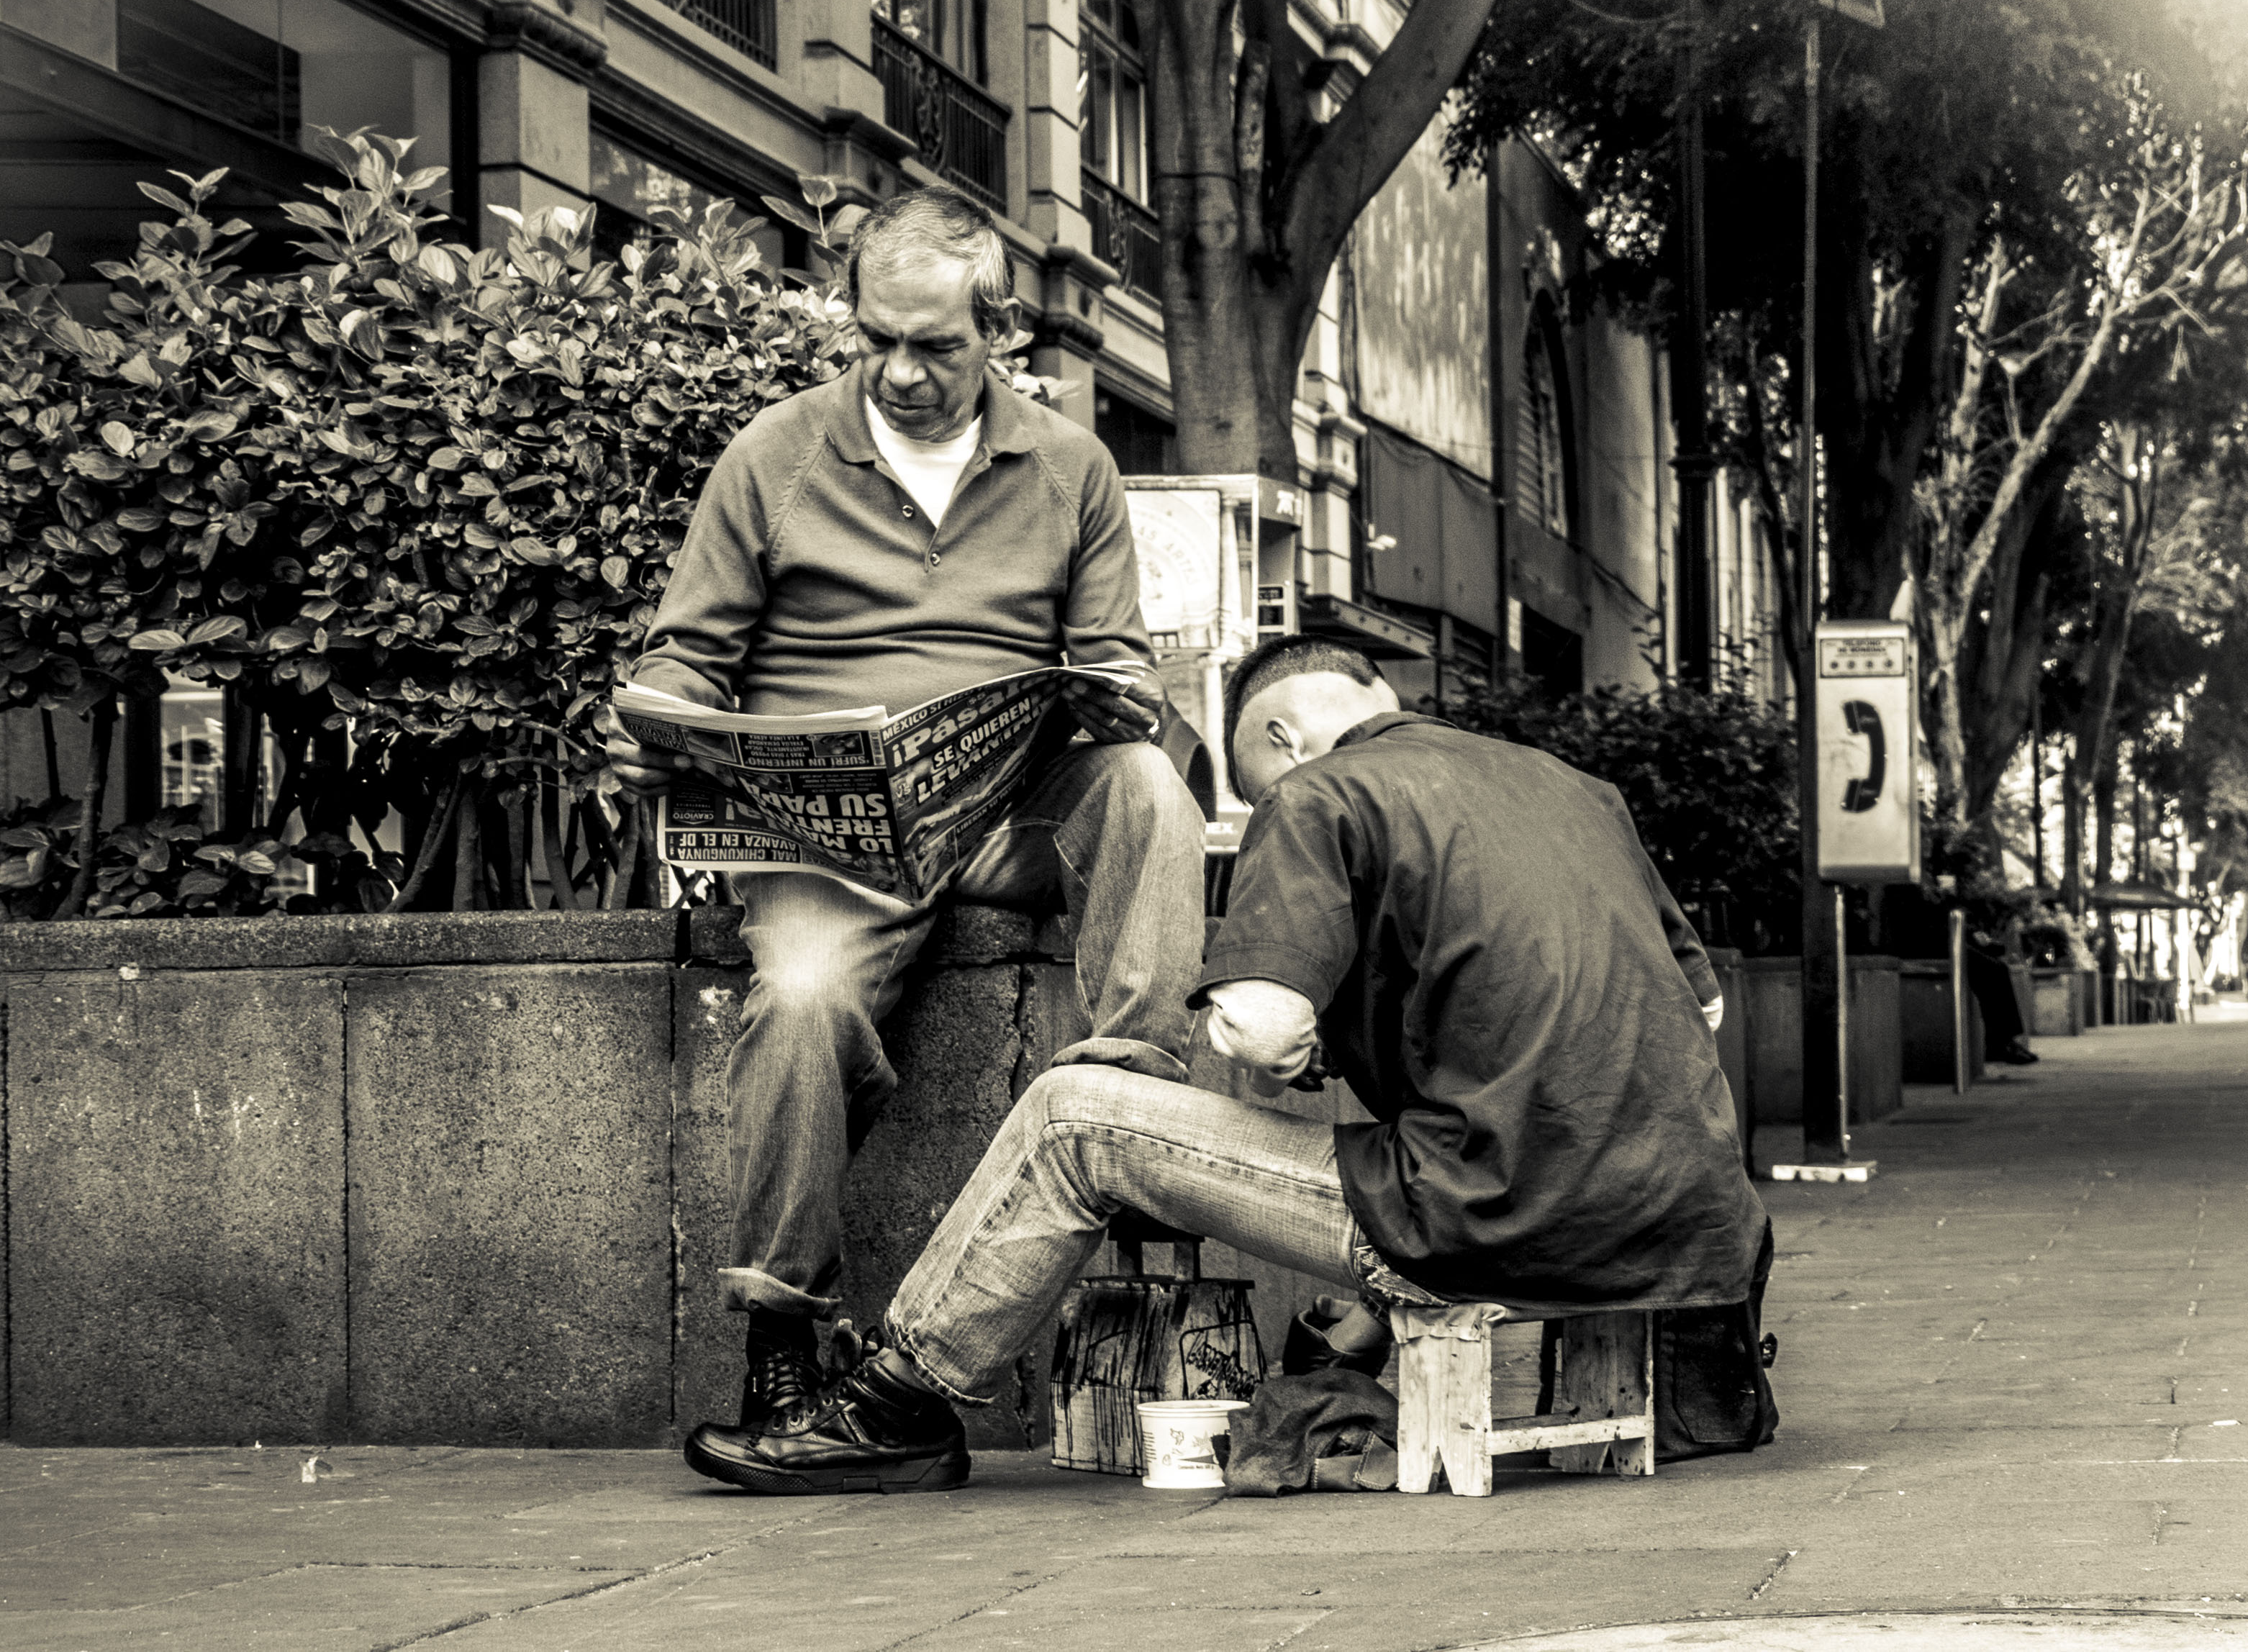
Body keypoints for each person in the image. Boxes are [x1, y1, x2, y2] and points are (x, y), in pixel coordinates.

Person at [681, 635, 1769, 1495]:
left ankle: (895, 1405)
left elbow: (1256, 1026)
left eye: (1249, 786)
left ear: (1287, 738)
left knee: (1074, 1117)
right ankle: (1356, 1320)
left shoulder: (1322, 792)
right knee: (1411, 1138)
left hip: (1491, 1215)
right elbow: (1699, 1006)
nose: (1259, 807)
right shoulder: (1575, 789)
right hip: (1695, 1228)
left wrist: (1292, 1036)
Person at [608, 185, 1206, 1433]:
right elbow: (684, 658)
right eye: (875, 338)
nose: (900, 370)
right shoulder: (774, 452)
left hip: (998, 814)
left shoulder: (1071, 466)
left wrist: (1114, 701)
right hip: (828, 839)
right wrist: (653, 719)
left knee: (1147, 785)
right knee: (804, 1001)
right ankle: (783, 1329)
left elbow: (1113, 660)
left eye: (934, 345)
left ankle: (1139, 1098)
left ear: (997, 332)